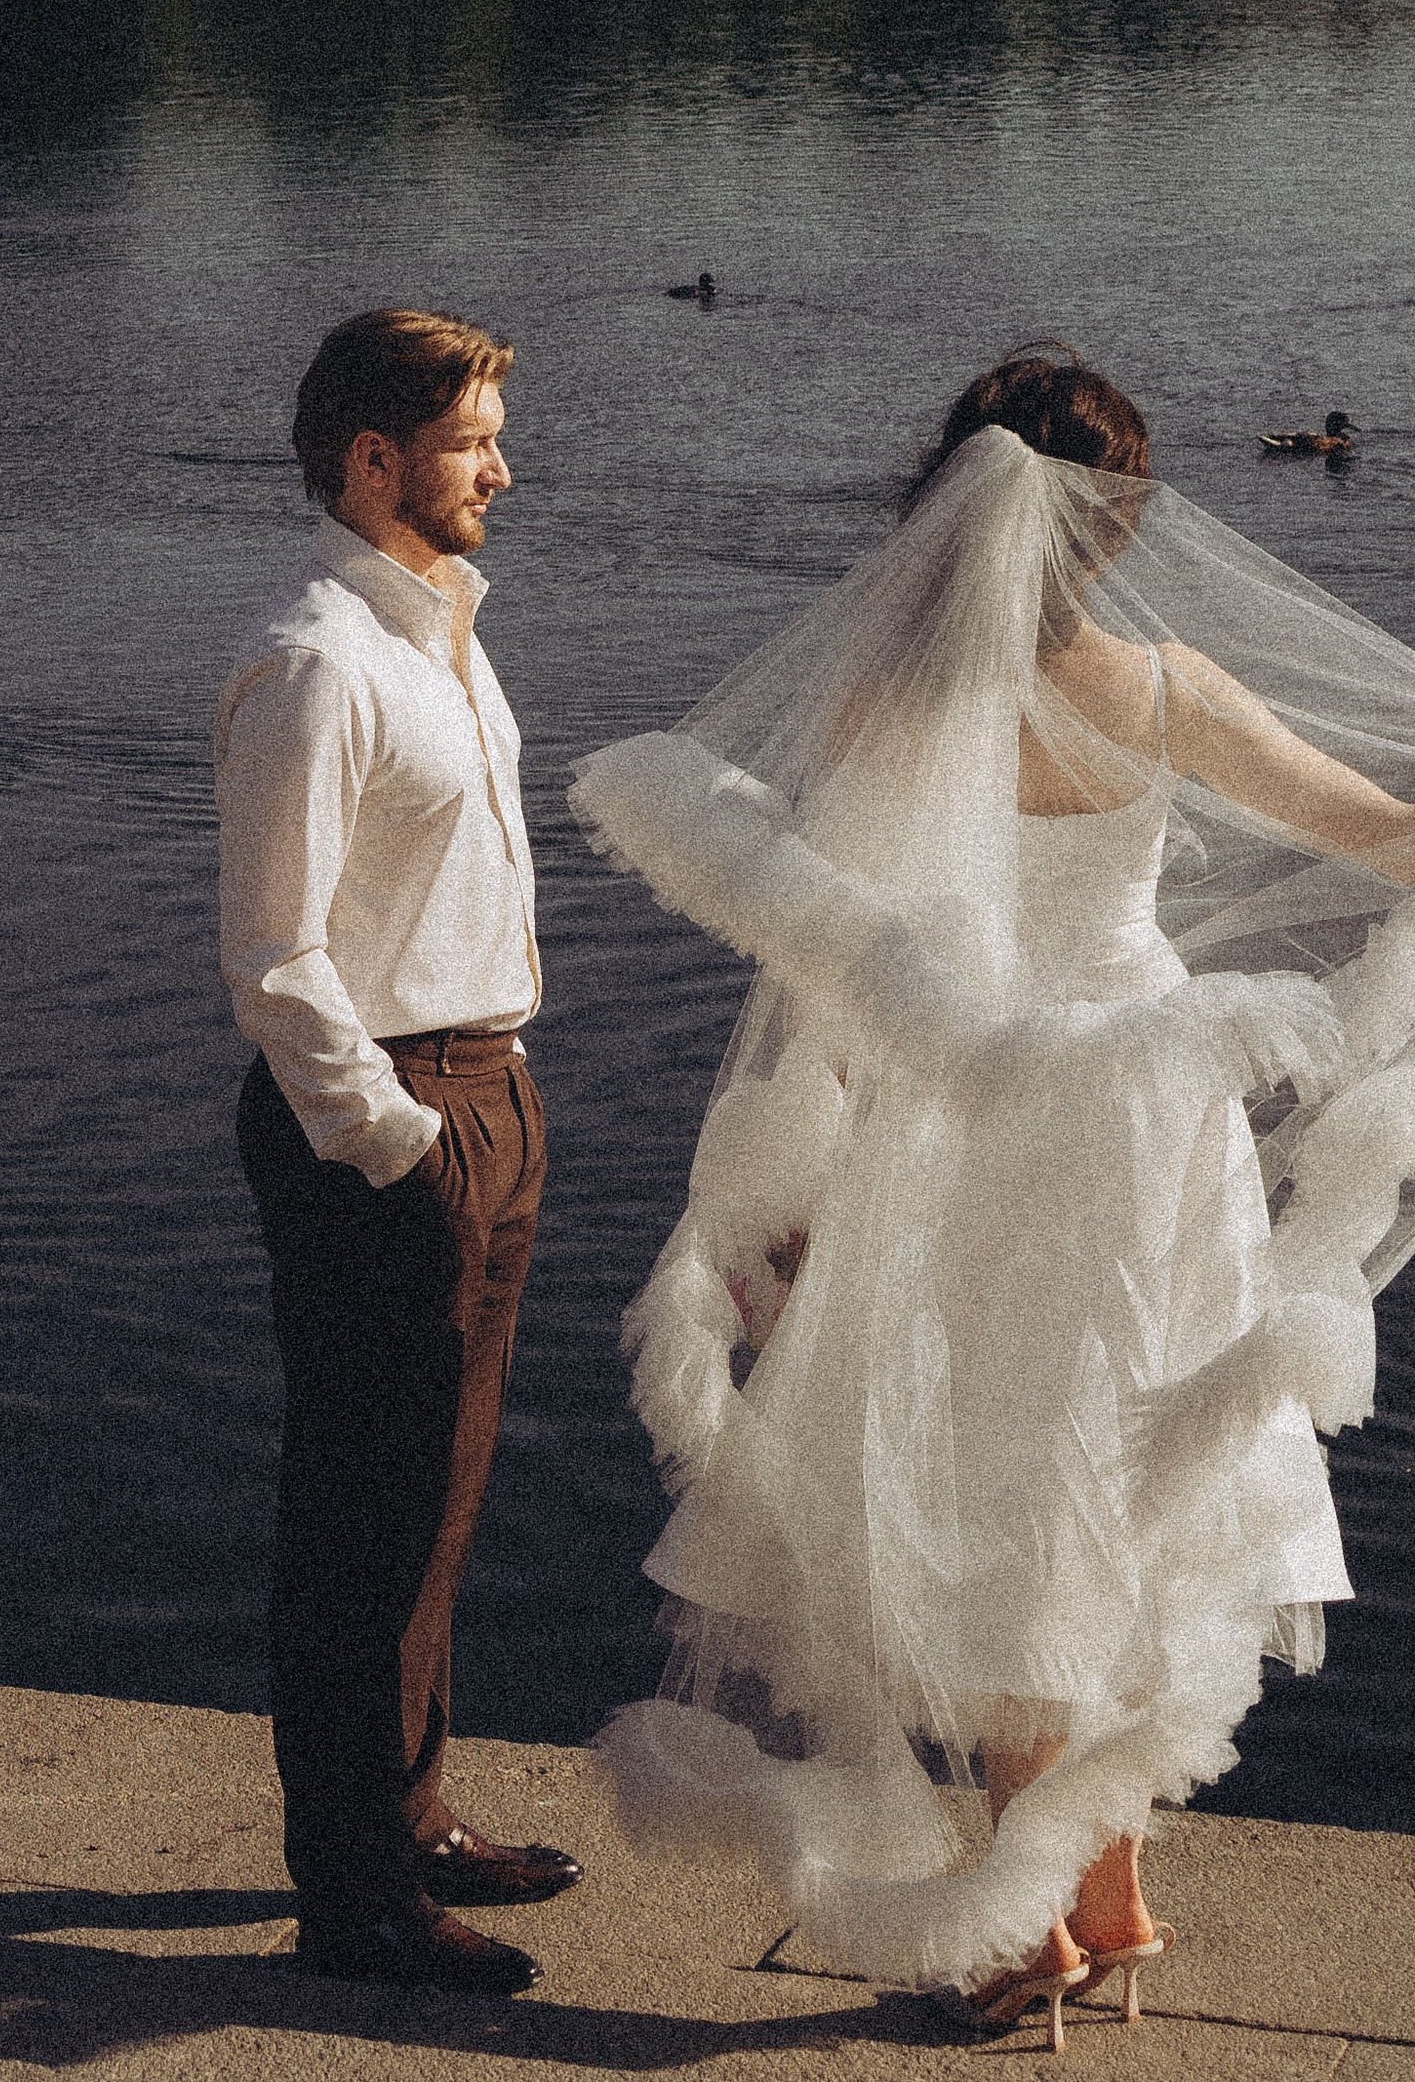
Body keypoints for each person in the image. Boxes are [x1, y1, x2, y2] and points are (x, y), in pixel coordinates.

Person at [573, 347, 1415, 2047]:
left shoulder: (892, 704)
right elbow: (1387, 831)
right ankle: (1102, 1896)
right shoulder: (1172, 692)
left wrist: (781, 1194)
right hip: (1148, 1125)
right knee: (1127, 1483)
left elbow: (834, 972)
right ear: (1118, 526)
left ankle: (1047, 1921)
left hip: (964, 1127)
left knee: (988, 1495)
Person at [216, 307, 579, 1994]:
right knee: (360, 1515)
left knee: (440, 1498)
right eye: (473, 441)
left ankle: (411, 1822)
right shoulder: (317, 663)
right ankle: (350, 1896)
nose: (503, 467)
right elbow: (279, 963)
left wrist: (478, 1123)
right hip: (385, 1118)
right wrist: (402, 1146)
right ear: (375, 460)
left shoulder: (441, 632)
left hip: (485, 1087)